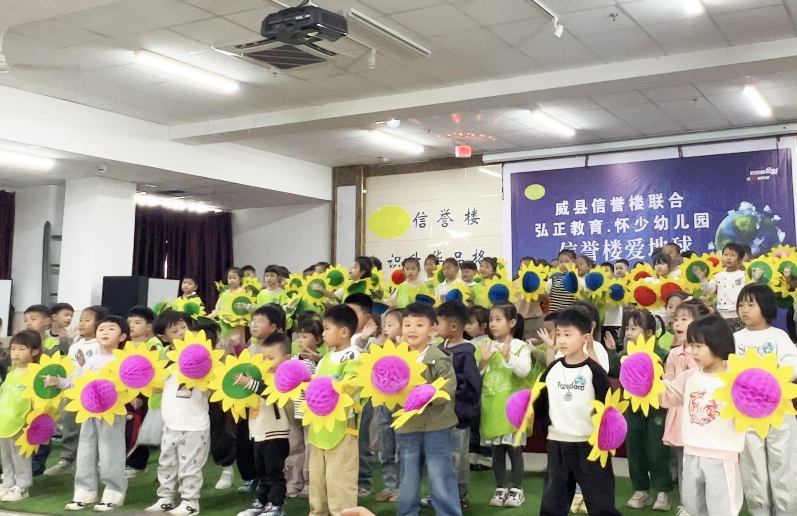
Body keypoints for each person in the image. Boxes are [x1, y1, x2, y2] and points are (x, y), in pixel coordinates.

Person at [534, 308, 621, 516]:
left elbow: (608, 405)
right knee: (553, 501)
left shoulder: (594, 371)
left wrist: (604, 438)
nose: (562, 340)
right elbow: (541, 402)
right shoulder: (553, 369)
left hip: (589, 445)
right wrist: (548, 428)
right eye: (559, 334)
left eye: (568, 334)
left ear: (585, 338)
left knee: (600, 500)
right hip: (557, 443)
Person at [659, 316, 744, 516]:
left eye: (699, 346)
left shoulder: (737, 378)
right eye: (691, 345)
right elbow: (666, 398)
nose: (693, 351)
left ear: (718, 343)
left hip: (722, 456)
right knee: (692, 506)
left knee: (722, 509)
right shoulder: (689, 376)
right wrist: (647, 382)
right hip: (691, 453)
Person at [47, 316, 130, 511]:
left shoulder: (124, 360)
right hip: (88, 411)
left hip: (112, 413)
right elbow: (77, 382)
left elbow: (132, 384)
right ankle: (84, 492)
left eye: (111, 329)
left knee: (111, 453)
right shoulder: (90, 360)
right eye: (101, 329)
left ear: (122, 336)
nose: (105, 332)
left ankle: (114, 492)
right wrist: (59, 382)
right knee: (85, 451)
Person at [734, 284, 797, 516]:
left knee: (783, 463)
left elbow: (792, 366)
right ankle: (759, 510)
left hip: (779, 412)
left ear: (766, 306)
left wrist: (767, 381)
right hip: (747, 414)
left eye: (751, 304)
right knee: (752, 466)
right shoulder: (735, 338)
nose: (744, 310)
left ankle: (786, 510)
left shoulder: (778, 336)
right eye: (741, 304)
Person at [396, 302, 461, 516]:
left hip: (437, 425)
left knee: (440, 471)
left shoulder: (440, 358)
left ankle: (448, 512)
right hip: (407, 425)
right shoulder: (395, 359)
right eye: (407, 325)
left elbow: (448, 388)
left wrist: (427, 396)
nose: (412, 330)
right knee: (408, 473)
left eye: (419, 325)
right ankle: (407, 512)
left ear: (432, 330)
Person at [607, 310, 672, 511]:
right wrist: (611, 351)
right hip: (632, 408)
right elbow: (613, 370)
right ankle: (641, 490)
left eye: (634, 328)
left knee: (656, 451)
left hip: (656, 409)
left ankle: (662, 491)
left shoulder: (662, 354)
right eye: (627, 328)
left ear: (649, 332)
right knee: (635, 450)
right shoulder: (625, 355)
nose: (629, 332)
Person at [145, 323, 212, 516]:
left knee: (190, 466)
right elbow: (159, 387)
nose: (182, 334)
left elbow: (211, 385)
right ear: (164, 337)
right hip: (171, 425)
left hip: (194, 426)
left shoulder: (203, 362)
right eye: (175, 331)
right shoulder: (169, 363)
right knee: (167, 464)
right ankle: (166, 498)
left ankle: (190, 502)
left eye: (184, 328)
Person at [44, 305, 109, 478]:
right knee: (71, 426)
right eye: (81, 320)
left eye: (87, 320)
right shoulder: (76, 345)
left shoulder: (101, 344)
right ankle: (67, 460)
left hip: (94, 395)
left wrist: (84, 364)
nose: (81, 323)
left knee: (93, 431)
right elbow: (71, 370)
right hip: (74, 392)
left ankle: (96, 463)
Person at [308, 304, 361, 516]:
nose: (323, 334)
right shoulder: (325, 359)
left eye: (327, 328)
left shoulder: (354, 357)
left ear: (344, 331)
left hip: (342, 428)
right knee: (317, 482)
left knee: (340, 482)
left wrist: (334, 386)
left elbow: (351, 386)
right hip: (319, 427)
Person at [234, 333, 295, 516]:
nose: (266, 362)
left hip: (275, 434)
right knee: (261, 472)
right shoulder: (260, 377)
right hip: (258, 433)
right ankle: (262, 501)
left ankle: (276, 505)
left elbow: (269, 393)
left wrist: (250, 384)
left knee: (274, 472)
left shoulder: (284, 378)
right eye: (263, 358)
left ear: (286, 359)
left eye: (271, 358)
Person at [478, 303, 531, 507]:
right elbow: (478, 373)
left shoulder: (520, 346)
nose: (493, 324)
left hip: (513, 409)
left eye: (498, 319)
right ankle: (500, 487)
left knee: (514, 449)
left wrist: (508, 356)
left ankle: (517, 489)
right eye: (491, 319)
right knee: (497, 451)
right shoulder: (485, 345)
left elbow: (524, 371)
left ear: (512, 322)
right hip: (492, 407)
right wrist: (483, 362)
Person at [664, 300, 709, 516]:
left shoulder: (705, 353)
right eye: (676, 319)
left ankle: (706, 503)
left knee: (703, 462)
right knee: (684, 462)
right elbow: (669, 381)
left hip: (698, 413)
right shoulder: (673, 354)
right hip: (678, 413)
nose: (678, 324)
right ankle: (687, 504)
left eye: (684, 319)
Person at [437, 301, 481, 508]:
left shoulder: (466, 352)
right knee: (442, 456)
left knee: (458, 456)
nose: (436, 327)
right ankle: (441, 493)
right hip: (439, 415)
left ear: (454, 326)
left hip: (458, 415)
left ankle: (459, 494)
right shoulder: (439, 349)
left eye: (439, 323)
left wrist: (455, 400)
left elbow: (472, 385)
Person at [0, 330, 41, 502]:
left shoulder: (36, 374)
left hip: (22, 423)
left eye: (22, 349)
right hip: (5, 421)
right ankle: (7, 483)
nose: (16, 353)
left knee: (20, 456)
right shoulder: (11, 373)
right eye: (13, 349)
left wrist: (33, 420)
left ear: (35, 351)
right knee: (6, 456)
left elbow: (40, 399)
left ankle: (22, 486)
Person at [286, 319, 322, 499]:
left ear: (318, 339)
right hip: (293, 409)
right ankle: (293, 482)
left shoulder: (321, 361)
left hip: (311, 410)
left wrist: (317, 361)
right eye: (299, 336)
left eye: (305, 336)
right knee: (294, 446)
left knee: (310, 448)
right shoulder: (293, 359)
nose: (300, 340)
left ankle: (309, 484)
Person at [125, 305, 163, 478]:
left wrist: (139, 394)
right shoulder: (126, 344)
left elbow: (150, 371)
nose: (131, 326)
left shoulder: (153, 345)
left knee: (139, 427)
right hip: (127, 390)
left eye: (137, 322)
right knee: (128, 426)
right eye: (129, 322)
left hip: (146, 392)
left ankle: (137, 463)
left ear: (149, 326)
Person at [374, 309, 402, 502]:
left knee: (401, 448)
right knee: (386, 447)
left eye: (391, 325)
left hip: (401, 405)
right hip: (383, 403)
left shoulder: (408, 349)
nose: (386, 329)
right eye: (384, 325)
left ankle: (402, 487)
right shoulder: (379, 348)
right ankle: (389, 485)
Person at [694, 243, 753, 333]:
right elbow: (709, 290)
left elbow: (749, 290)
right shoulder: (718, 276)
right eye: (725, 255)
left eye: (732, 255)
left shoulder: (743, 275)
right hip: (722, 316)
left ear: (740, 259)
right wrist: (702, 279)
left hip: (739, 315)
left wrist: (755, 279)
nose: (728, 258)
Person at [464, 305, 493, 471]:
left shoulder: (488, 343)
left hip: (485, 388)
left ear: (483, 325)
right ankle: (473, 456)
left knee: (484, 424)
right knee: (473, 423)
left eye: (471, 323)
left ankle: (486, 457)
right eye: (466, 323)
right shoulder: (467, 343)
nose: (467, 327)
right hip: (472, 389)